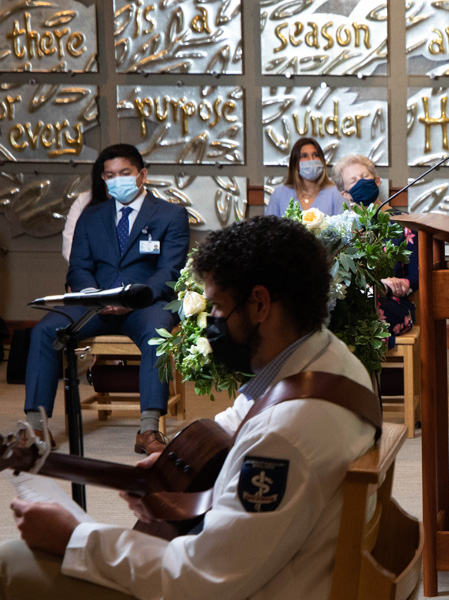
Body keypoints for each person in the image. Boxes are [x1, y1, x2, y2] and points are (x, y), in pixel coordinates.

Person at [1, 215, 379, 600]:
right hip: (268, 565)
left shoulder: (285, 438)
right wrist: (173, 470)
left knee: (11, 561)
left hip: (258, 587)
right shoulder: (329, 358)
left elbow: (200, 581)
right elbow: (238, 422)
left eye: (217, 308)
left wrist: (74, 538)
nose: (212, 322)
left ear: (261, 303)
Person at [24, 144, 190, 456]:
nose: (117, 181)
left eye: (124, 174)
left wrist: (133, 299)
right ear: (103, 178)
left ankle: (149, 428)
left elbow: (170, 271)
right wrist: (95, 298)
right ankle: (36, 426)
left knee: (158, 335)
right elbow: (79, 267)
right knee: (44, 331)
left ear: (142, 175)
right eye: (110, 176)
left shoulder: (171, 215)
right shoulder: (91, 216)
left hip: (145, 305)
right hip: (95, 304)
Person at [331, 154, 418, 346]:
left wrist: (385, 286)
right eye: (353, 181)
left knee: (361, 308)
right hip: (352, 300)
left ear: (377, 181)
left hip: (392, 303)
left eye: (365, 176)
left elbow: (416, 278)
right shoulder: (343, 229)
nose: (361, 182)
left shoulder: (405, 224)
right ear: (345, 193)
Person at [265, 137, 346, 217]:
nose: (311, 159)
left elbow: (345, 227)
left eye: (315, 155)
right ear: (295, 163)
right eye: (304, 156)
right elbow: (269, 227)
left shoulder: (336, 193)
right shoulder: (279, 194)